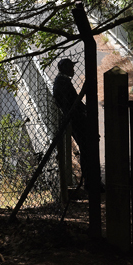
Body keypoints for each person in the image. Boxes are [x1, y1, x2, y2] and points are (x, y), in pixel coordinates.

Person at [52, 58, 92, 187]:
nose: (73, 70)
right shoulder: (63, 83)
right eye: (71, 68)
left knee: (87, 147)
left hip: (75, 117)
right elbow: (71, 102)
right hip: (75, 119)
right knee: (86, 148)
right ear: (66, 69)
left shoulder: (62, 81)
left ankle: (89, 179)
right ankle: (89, 180)